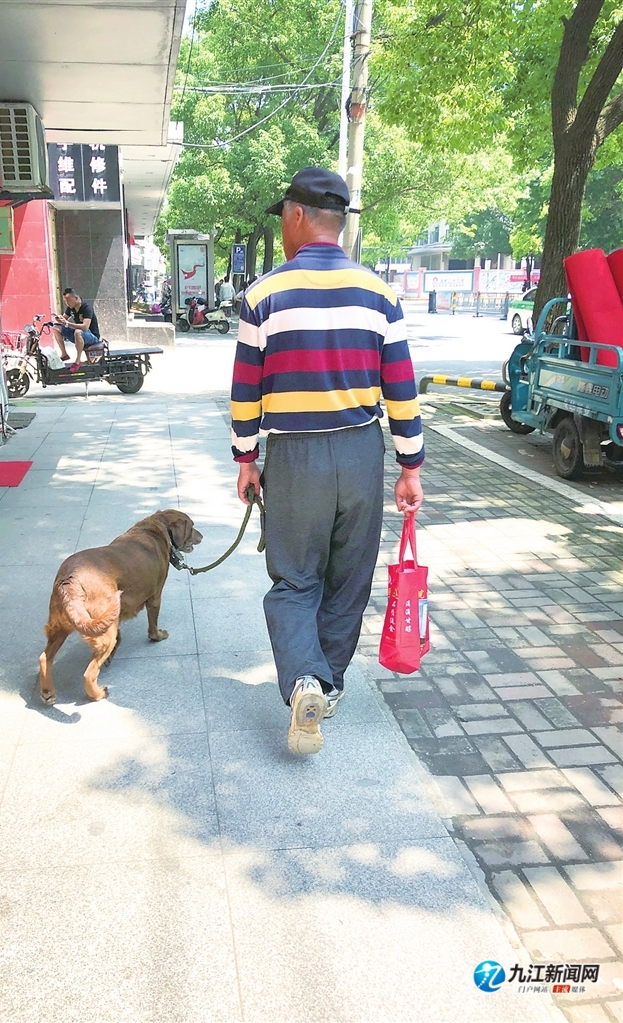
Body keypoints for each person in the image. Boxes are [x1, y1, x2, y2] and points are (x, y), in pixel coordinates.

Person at [230, 166, 424, 755]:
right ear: (337, 224)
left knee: (294, 577)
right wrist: (410, 466)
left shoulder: (263, 295)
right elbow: (401, 385)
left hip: (294, 456)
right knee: (348, 579)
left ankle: (304, 681)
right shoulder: (380, 294)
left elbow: (246, 390)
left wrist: (245, 457)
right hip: (363, 452)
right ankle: (327, 685)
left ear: (295, 215)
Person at [52, 288, 101, 372]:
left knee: (78, 332)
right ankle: (64, 354)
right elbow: (64, 318)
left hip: (92, 336)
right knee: (56, 328)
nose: (67, 304)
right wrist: (60, 319)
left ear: (76, 298)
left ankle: (78, 361)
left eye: (68, 301)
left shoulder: (86, 307)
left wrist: (67, 323)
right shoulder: (71, 307)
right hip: (77, 334)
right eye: (65, 301)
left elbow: (85, 327)